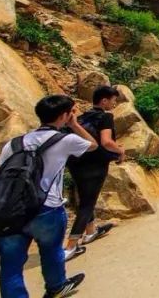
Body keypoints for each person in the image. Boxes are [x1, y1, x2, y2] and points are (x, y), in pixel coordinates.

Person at [0, 95, 98, 298]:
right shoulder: (65, 140)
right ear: (64, 115)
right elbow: (93, 145)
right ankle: (56, 287)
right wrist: (75, 124)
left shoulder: (14, 144)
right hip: (47, 208)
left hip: (13, 210)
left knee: (10, 264)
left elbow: (0, 173)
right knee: (51, 250)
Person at [63, 86, 125, 261]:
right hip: (95, 166)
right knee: (88, 203)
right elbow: (106, 142)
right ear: (104, 101)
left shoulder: (83, 117)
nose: (114, 103)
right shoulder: (106, 117)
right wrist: (120, 151)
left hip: (76, 165)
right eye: (113, 100)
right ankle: (71, 245)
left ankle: (90, 231)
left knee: (84, 197)